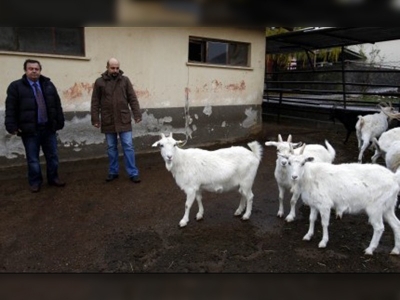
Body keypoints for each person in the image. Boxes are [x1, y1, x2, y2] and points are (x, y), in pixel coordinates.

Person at [5, 59, 66, 193]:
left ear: (40, 70)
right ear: (25, 70)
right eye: (30, 68)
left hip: (48, 128)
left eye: (36, 69)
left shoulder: (48, 85)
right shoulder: (16, 87)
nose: (34, 71)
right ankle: (35, 182)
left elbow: (56, 104)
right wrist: (11, 125)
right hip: (30, 130)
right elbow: (11, 108)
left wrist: (59, 121)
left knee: (53, 156)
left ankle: (53, 178)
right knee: (33, 158)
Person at [91, 57, 142, 183]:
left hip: (123, 118)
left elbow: (132, 98)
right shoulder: (99, 82)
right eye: (112, 68)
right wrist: (95, 119)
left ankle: (133, 172)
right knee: (111, 147)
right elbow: (95, 102)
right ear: (107, 67)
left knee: (128, 146)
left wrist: (137, 114)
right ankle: (113, 171)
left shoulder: (125, 80)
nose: (115, 70)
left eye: (117, 68)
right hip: (108, 119)